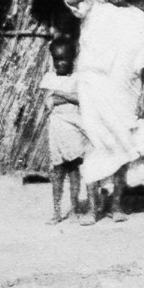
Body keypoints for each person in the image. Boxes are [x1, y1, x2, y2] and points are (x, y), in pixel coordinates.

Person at [62, 0, 144, 223]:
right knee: (97, 144)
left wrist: (143, 96)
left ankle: (116, 205)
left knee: (123, 146)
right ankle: (94, 209)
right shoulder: (92, 6)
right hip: (95, 90)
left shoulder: (138, 16)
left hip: (127, 91)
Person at [39, 40, 92, 225]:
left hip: (74, 129)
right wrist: (69, 97)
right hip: (57, 130)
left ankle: (75, 207)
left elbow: (82, 99)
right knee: (57, 171)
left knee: (74, 170)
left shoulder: (78, 78)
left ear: (72, 59)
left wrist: (60, 95)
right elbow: (48, 101)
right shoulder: (49, 77)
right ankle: (56, 211)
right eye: (57, 59)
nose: (61, 63)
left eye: (65, 59)